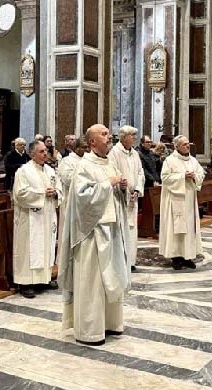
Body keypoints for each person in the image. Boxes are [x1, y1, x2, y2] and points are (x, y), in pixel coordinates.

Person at [57, 124, 130, 346]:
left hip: (111, 229)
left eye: (109, 134)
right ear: (92, 142)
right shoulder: (84, 166)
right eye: (104, 134)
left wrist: (122, 188)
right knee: (93, 283)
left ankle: (110, 323)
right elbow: (82, 197)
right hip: (91, 233)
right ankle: (89, 330)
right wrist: (109, 184)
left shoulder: (109, 163)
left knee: (112, 276)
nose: (110, 138)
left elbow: (113, 193)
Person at [12, 141, 62, 299]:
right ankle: (26, 282)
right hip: (30, 217)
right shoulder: (24, 171)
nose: (45, 154)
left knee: (46, 246)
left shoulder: (50, 170)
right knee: (29, 248)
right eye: (41, 151)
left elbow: (60, 189)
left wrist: (55, 193)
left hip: (47, 216)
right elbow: (20, 194)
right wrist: (42, 193)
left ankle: (43, 279)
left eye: (46, 151)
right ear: (32, 154)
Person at [158, 135, 205, 270]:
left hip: (189, 200)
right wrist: (182, 176)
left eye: (188, 144)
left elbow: (201, 174)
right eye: (184, 144)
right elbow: (165, 178)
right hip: (175, 200)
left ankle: (187, 256)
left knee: (189, 228)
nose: (187, 146)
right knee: (176, 229)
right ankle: (176, 257)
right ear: (176, 146)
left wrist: (194, 176)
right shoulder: (170, 161)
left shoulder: (193, 160)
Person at [109, 126, 145, 273]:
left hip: (132, 198)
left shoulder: (135, 154)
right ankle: (120, 261)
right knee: (120, 229)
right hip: (120, 197)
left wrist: (137, 189)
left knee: (131, 230)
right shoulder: (114, 153)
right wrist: (123, 187)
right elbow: (112, 172)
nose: (134, 138)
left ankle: (130, 260)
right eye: (132, 135)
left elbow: (140, 173)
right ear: (123, 137)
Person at [56, 137, 88, 261]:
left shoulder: (88, 160)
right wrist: (85, 177)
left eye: (87, 147)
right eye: (84, 147)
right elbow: (67, 178)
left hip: (84, 203)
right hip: (70, 201)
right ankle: (63, 261)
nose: (86, 150)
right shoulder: (67, 161)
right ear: (76, 148)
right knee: (68, 234)